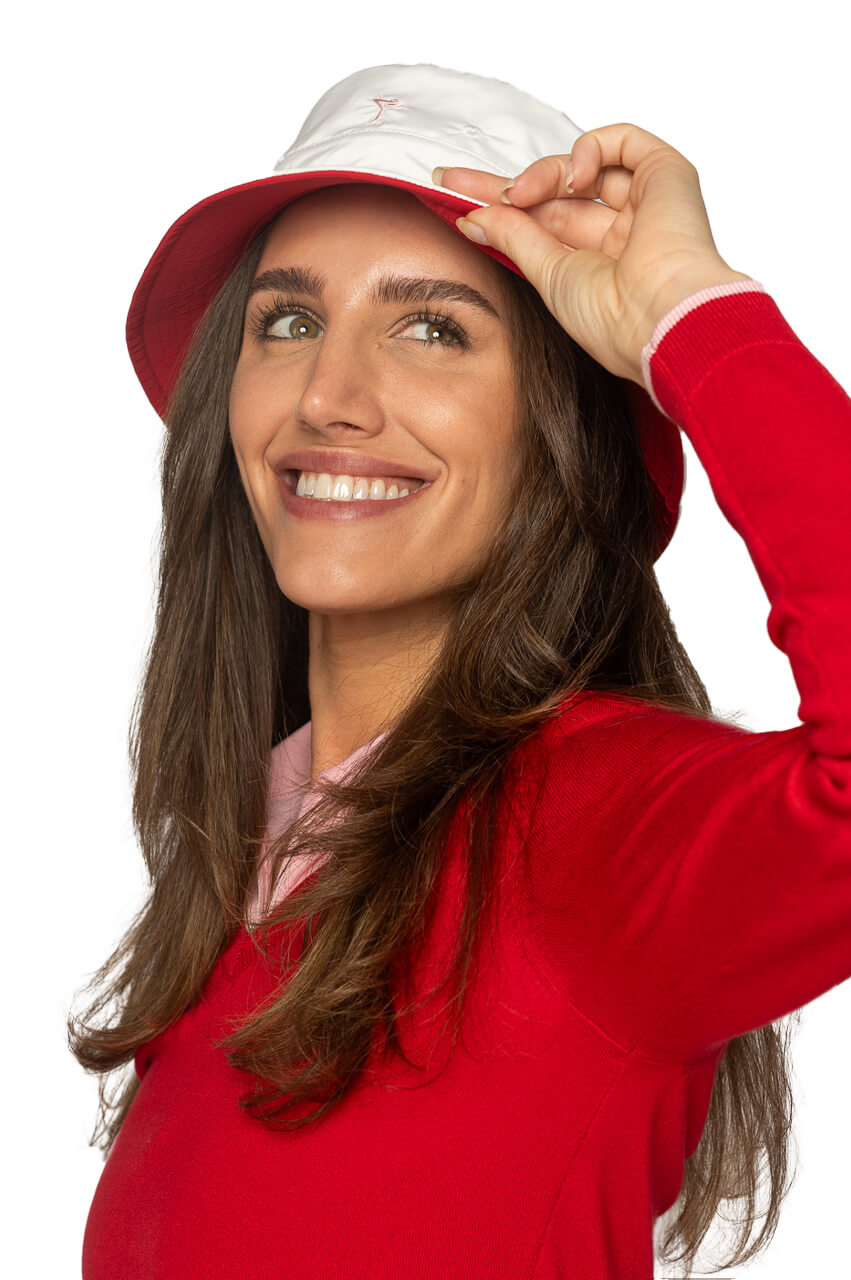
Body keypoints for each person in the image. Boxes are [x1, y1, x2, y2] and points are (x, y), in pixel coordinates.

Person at [69, 64, 851, 1277]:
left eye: (431, 326)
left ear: (563, 432)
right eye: (288, 320)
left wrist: (687, 311)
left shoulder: (588, 826)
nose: (330, 395)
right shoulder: (244, 872)